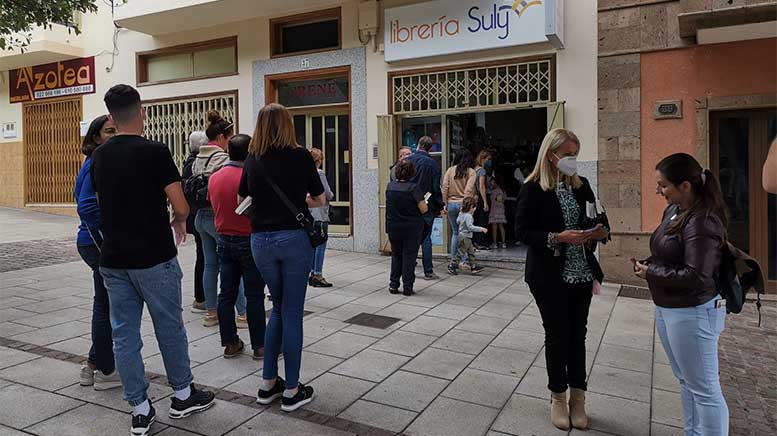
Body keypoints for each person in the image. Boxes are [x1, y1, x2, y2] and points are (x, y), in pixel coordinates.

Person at [91, 84, 215, 436]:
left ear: (112, 118)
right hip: (154, 257)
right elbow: (181, 205)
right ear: (142, 112)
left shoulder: (99, 156)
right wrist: (178, 220)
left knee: (124, 336)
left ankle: (141, 409)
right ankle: (182, 395)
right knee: (169, 327)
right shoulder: (156, 151)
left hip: (113, 259)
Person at [515, 128, 609, 431]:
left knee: (577, 335)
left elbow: (598, 217)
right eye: (568, 154)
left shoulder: (582, 186)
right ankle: (558, 396)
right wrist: (558, 237)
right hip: (548, 275)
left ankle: (578, 398)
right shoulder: (532, 188)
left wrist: (598, 231)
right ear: (551, 154)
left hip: (582, 272)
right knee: (557, 334)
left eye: (575, 154)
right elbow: (523, 232)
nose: (573, 160)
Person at [633, 153, 729, 436]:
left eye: (663, 186)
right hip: (670, 307)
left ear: (685, 185)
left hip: (693, 311)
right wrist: (651, 262)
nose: (658, 191)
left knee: (705, 389)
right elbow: (667, 249)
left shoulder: (702, 220)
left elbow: (697, 275)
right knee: (686, 381)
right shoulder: (675, 211)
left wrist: (650, 273)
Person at [239, 103, 326, 412]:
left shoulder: (252, 158)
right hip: (293, 239)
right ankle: (291, 390)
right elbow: (320, 198)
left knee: (277, 307)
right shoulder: (301, 156)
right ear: (288, 125)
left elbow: (243, 198)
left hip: (260, 241)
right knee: (292, 312)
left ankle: (267, 384)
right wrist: (298, 200)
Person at [208, 133, 267, 360]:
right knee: (254, 295)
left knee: (226, 294)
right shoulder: (249, 175)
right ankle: (260, 346)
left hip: (223, 239)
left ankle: (230, 343)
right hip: (248, 239)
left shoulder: (215, 177)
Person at [74, 115, 121, 391]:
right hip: (96, 243)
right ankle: (105, 369)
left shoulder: (95, 162)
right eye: (108, 131)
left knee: (107, 303)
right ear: (95, 137)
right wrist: (110, 227)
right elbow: (87, 207)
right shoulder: (95, 163)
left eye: (116, 130)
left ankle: (93, 363)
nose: (114, 135)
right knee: (105, 305)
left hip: (93, 242)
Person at [193, 111, 248, 328]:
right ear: (223, 137)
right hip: (219, 217)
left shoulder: (198, 156)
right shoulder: (222, 158)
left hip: (200, 217)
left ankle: (210, 313)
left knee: (209, 265)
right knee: (234, 267)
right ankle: (243, 314)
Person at [386, 160, 428, 295]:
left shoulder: (390, 186)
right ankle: (407, 287)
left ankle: (393, 284)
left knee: (396, 255)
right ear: (412, 173)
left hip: (393, 225)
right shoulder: (414, 188)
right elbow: (423, 209)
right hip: (411, 227)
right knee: (409, 256)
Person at [406, 136, 442, 280]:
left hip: (410, 204)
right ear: (430, 148)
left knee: (411, 237)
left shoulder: (409, 160)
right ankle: (428, 270)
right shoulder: (433, 164)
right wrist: (439, 205)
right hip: (427, 205)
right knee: (426, 237)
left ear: (419, 145)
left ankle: (409, 266)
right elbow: (435, 187)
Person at [182, 131, 209, 313]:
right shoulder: (196, 164)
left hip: (195, 216)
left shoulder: (188, 162)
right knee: (204, 257)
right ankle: (201, 297)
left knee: (203, 256)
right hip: (200, 215)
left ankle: (202, 296)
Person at [442, 150, 476, 264]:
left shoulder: (450, 170)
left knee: (455, 233)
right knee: (465, 233)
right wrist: (466, 206)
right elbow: (468, 189)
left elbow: (445, 187)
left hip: (451, 203)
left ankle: (454, 261)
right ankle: (463, 261)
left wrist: (445, 204)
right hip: (464, 203)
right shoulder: (471, 172)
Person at [309, 147, 335, 288]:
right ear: (319, 161)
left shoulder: (303, 173)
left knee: (312, 244)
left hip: (309, 213)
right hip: (319, 213)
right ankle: (317, 274)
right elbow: (327, 193)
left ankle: (312, 272)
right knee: (320, 243)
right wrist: (331, 195)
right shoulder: (319, 173)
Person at [447, 197, 486, 275]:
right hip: (465, 237)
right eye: (474, 207)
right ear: (471, 207)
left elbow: (457, 221)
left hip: (463, 236)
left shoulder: (462, 213)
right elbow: (470, 227)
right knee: (460, 253)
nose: (475, 209)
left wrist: (461, 214)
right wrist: (481, 229)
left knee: (471, 252)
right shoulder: (468, 216)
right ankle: (452, 265)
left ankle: (473, 267)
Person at [474, 150, 493, 249]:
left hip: (476, 197)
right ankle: (480, 242)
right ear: (483, 159)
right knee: (483, 220)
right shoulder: (482, 171)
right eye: (488, 159)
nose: (489, 161)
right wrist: (485, 201)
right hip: (482, 197)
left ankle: (476, 241)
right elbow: (482, 187)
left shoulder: (475, 169)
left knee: (477, 220)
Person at [489, 175, 507, 248]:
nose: (491, 183)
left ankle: (495, 243)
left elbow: (495, 200)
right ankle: (503, 243)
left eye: (492, 182)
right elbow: (503, 200)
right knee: (501, 226)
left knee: (494, 227)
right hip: (501, 210)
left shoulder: (494, 191)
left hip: (494, 210)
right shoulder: (502, 191)